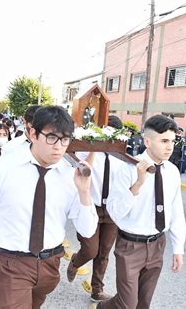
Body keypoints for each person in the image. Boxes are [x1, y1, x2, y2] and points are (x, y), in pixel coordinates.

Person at [0, 106, 98, 308]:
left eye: (65, 139)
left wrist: (84, 192)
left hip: (49, 265)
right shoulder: (3, 169)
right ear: (33, 133)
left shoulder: (70, 176)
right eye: (52, 137)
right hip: (9, 264)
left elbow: (87, 230)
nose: (59, 146)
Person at [95, 114, 186, 309]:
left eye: (172, 141)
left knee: (144, 303)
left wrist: (178, 248)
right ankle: (103, 307)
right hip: (130, 245)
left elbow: (176, 211)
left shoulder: (172, 171)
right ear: (147, 141)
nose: (170, 147)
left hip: (157, 244)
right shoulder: (128, 167)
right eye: (164, 141)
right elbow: (114, 211)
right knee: (127, 304)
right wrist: (137, 184)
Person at [66, 115, 124, 303]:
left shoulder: (122, 156)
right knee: (91, 250)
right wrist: (96, 146)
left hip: (111, 210)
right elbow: (85, 168)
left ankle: (97, 290)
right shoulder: (87, 151)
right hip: (90, 207)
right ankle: (75, 261)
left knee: (104, 252)